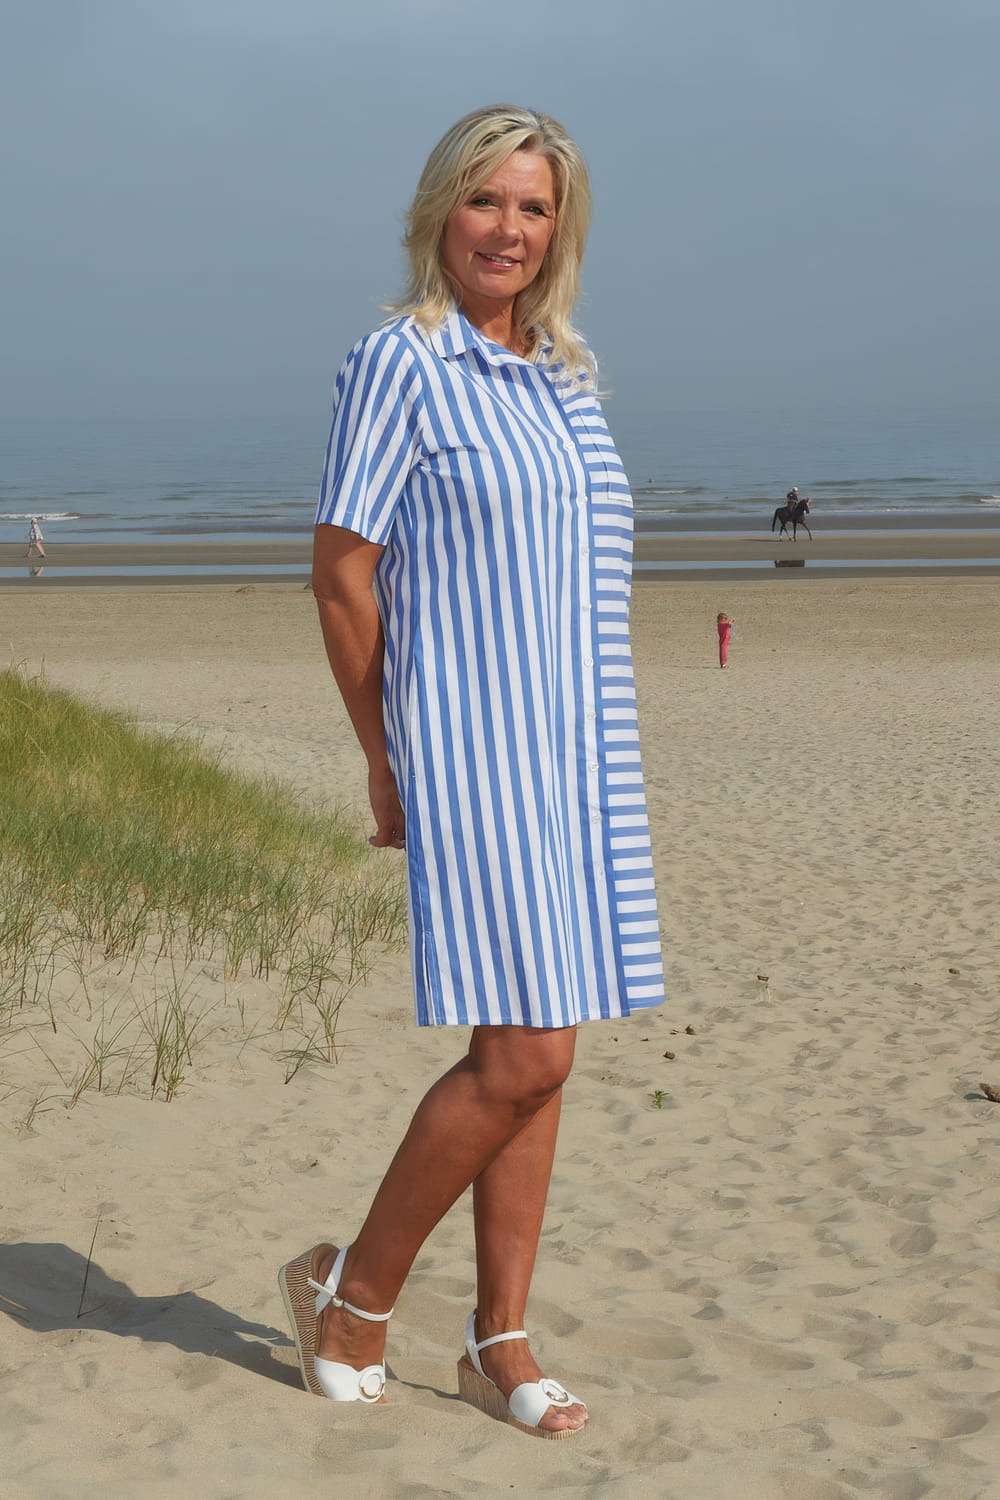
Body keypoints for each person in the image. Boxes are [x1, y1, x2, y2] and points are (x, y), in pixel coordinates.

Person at [280, 104, 664, 1440]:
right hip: (474, 747)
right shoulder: (400, 360)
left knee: (548, 1051)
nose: (509, 228)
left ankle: (498, 1341)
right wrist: (384, 756)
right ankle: (351, 1294)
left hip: (581, 748)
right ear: (440, 210)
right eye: (486, 199)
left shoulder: (563, 374)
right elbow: (343, 572)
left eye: (534, 207)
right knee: (520, 1053)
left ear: (562, 229)